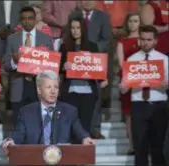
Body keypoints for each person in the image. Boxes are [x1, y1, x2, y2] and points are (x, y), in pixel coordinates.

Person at [2, 70, 94, 152]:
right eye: (48, 87)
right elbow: (18, 135)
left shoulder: (69, 111)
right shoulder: (26, 112)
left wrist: (85, 138)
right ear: (39, 90)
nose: (53, 91)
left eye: (56, 87)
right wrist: (10, 141)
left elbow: (79, 131)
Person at [120, 25, 168, 166]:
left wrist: (165, 84)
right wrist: (123, 87)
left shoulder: (164, 59)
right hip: (139, 106)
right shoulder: (131, 61)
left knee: (158, 148)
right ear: (139, 40)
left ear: (155, 41)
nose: (146, 42)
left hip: (159, 106)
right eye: (143, 39)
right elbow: (124, 88)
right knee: (140, 148)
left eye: (149, 39)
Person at [3, 6, 53, 126]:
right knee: (19, 124)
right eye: (24, 18)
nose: (27, 21)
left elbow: (52, 65)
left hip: (39, 86)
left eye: (30, 18)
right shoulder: (12, 39)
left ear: (35, 19)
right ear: (20, 20)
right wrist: (15, 61)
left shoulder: (46, 38)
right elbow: (5, 65)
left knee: (39, 124)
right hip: (19, 85)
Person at [70, 0, 112, 139]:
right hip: (76, 59)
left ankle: (95, 129)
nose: (87, 2)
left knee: (96, 96)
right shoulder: (74, 15)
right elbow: (69, 35)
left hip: (95, 60)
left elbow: (106, 40)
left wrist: (90, 50)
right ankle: (76, 129)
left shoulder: (103, 16)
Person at [59, 16, 99, 140]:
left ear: (83, 29)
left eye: (78, 28)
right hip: (70, 92)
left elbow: (98, 67)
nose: (75, 31)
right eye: (72, 28)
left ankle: (83, 155)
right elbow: (58, 67)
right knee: (71, 125)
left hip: (88, 92)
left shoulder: (92, 47)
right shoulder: (64, 47)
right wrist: (63, 67)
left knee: (85, 125)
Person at [116, 12, 141, 155]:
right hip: (127, 79)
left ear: (140, 23)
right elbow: (121, 63)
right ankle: (132, 146)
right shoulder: (122, 40)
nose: (133, 24)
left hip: (144, 81)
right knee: (129, 115)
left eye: (136, 21)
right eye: (130, 21)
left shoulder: (145, 40)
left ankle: (143, 145)